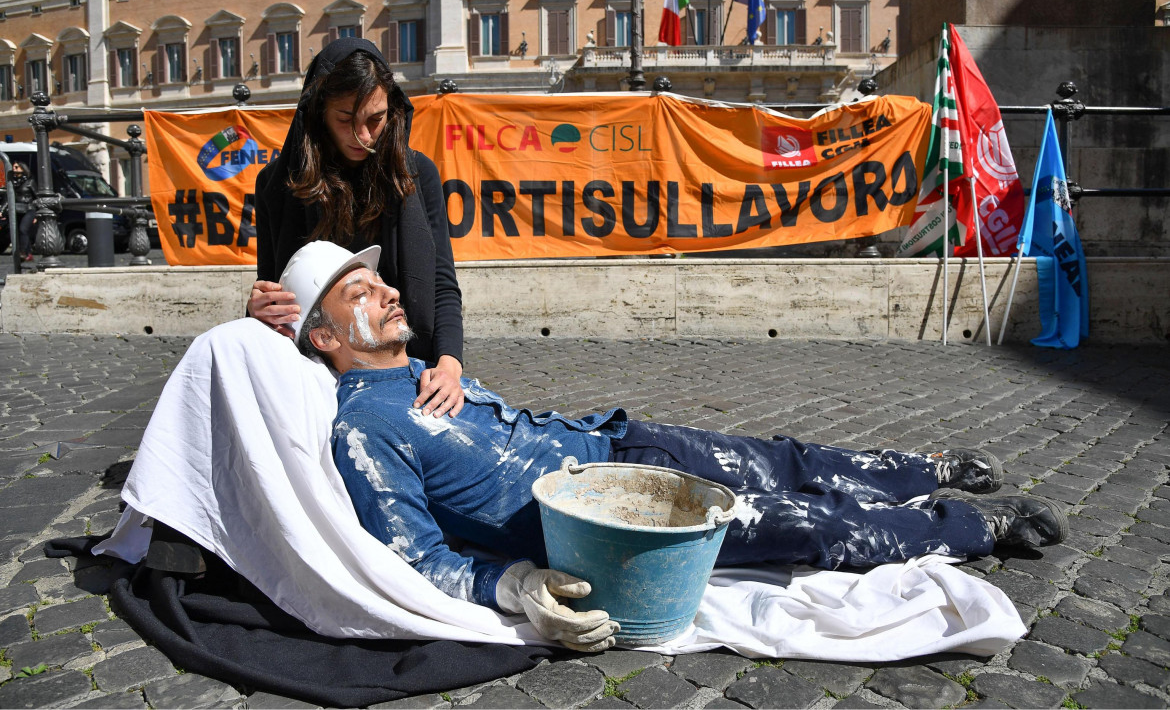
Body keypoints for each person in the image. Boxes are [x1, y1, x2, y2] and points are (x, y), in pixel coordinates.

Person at [283, 240, 1068, 653]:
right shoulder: (362, 427)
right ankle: (969, 527)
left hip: (615, 441)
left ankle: (917, 472)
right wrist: (517, 586)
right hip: (607, 517)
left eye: (378, 283)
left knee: (778, 458)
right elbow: (414, 556)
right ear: (323, 335)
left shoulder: (422, 369)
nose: (388, 291)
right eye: (361, 291)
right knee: (799, 524)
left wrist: (447, 365)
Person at [249, 37, 465, 418]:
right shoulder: (276, 184)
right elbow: (275, 287)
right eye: (346, 120)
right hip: (314, 373)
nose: (364, 137)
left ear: (392, 110)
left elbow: (441, 282)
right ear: (318, 113)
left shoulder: (417, 174)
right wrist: (258, 310)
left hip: (411, 368)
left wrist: (450, 366)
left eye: (376, 119)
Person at [10, 161, 36, 262]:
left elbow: (36, 197)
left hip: (29, 209)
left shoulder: (30, 182)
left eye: (17, 167)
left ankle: (23, 252)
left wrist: (37, 215)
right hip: (17, 210)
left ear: (23, 168)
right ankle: (28, 253)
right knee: (18, 232)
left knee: (23, 229)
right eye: (13, 167)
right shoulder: (12, 182)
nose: (14, 169)